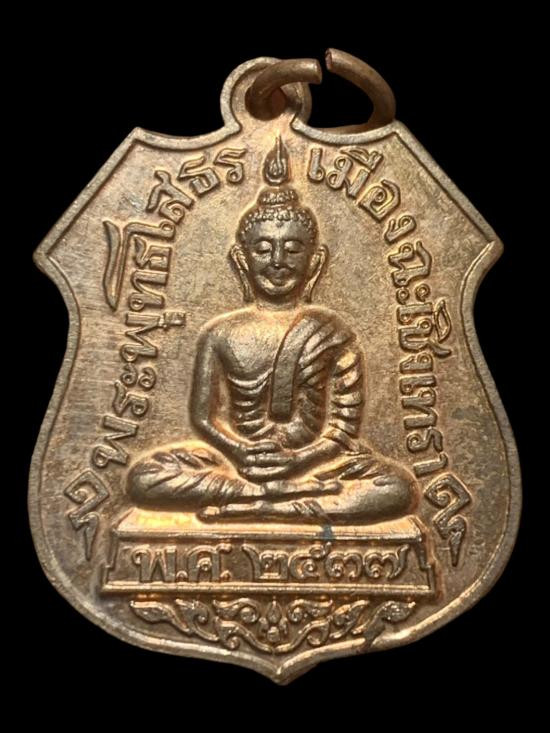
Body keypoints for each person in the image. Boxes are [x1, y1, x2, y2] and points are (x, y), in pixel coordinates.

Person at [126, 186, 419, 523]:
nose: (278, 261)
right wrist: (239, 450)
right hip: (237, 463)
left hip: (315, 464)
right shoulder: (219, 333)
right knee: (144, 477)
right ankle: (263, 496)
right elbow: (204, 418)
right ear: (242, 259)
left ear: (315, 261)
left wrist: (300, 460)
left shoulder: (333, 331)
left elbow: (342, 428)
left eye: (292, 249)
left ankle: (271, 506)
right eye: (263, 249)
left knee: (398, 488)